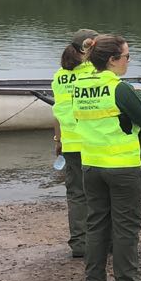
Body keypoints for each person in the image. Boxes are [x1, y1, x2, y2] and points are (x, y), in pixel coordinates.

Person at [74, 34, 141, 281]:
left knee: (96, 224)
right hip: (122, 166)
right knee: (126, 226)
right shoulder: (120, 88)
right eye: (126, 56)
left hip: (91, 164)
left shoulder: (80, 86)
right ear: (112, 60)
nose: (128, 62)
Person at [52, 28, 98, 258]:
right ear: (89, 49)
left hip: (70, 144)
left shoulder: (60, 75)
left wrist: (57, 140)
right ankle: (99, 242)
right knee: (98, 195)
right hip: (94, 143)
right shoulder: (94, 72)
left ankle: (79, 244)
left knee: (76, 195)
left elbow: (57, 111)